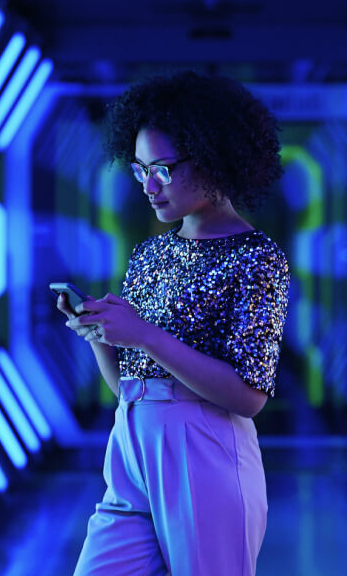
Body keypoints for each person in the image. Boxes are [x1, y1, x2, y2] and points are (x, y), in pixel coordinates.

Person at [59, 70, 290, 576]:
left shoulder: (256, 259)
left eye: (162, 168)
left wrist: (143, 333)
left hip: (204, 448)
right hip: (132, 441)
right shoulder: (151, 254)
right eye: (140, 169)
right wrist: (102, 336)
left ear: (212, 159)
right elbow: (130, 383)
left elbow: (249, 396)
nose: (148, 185)